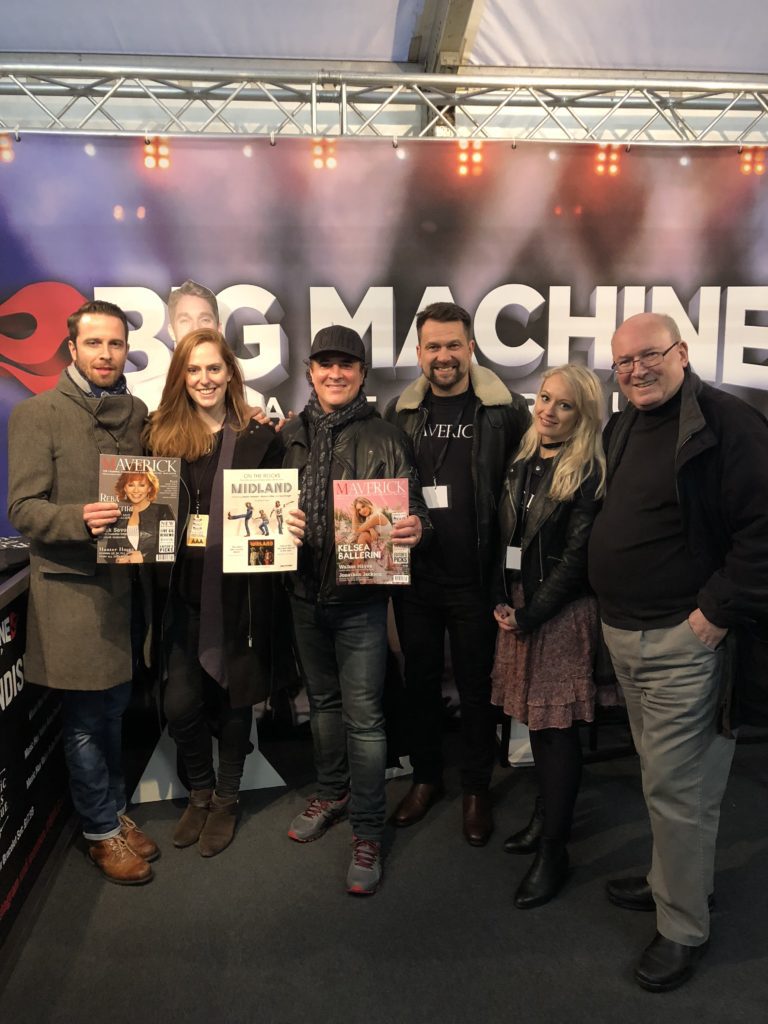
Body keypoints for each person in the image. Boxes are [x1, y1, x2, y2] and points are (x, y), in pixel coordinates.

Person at [588, 312, 768, 992]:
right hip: (626, 635)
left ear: (683, 353)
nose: (636, 369)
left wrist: (714, 615)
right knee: (667, 781)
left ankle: (683, 926)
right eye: (624, 362)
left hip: (684, 641)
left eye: (650, 355)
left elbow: (763, 533)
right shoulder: (625, 422)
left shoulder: (728, 424)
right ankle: (674, 879)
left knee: (679, 791)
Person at [8, 300, 159, 885]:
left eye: (115, 345)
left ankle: (113, 814)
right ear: (72, 348)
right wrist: (80, 518)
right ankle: (99, 831)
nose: (105, 354)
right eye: (94, 344)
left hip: (125, 587)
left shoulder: (137, 411)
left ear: (126, 350)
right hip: (71, 591)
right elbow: (23, 509)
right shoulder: (37, 413)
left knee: (114, 710)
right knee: (84, 719)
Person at [145, 328, 304, 857]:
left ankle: (227, 798)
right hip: (182, 601)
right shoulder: (158, 436)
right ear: (180, 377)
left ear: (231, 373)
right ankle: (200, 790)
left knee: (237, 703)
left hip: (242, 598)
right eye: (194, 370)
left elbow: (281, 509)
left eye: (214, 369)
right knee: (180, 705)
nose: (205, 379)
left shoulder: (260, 436)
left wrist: (292, 523)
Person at [282, 324, 429, 896]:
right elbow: (263, 504)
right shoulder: (288, 435)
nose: (335, 373)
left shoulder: (387, 437)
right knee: (322, 704)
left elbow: (413, 508)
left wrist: (419, 526)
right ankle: (331, 790)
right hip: (300, 594)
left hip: (361, 601)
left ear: (363, 374)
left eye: (347, 365)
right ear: (310, 370)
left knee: (364, 719)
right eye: (325, 364)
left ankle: (367, 829)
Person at [385, 301, 529, 845]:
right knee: (419, 684)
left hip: (477, 581)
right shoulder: (398, 412)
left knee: (475, 688)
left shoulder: (504, 411)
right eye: (433, 347)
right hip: (416, 580)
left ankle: (475, 788)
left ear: (470, 347)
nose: (443, 356)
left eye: (453, 345)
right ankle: (425, 779)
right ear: (418, 352)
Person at [492, 364, 608, 909]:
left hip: (558, 616)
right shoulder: (523, 460)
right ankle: (546, 815)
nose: (547, 410)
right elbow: (509, 538)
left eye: (564, 405)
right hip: (521, 609)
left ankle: (555, 851)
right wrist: (503, 596)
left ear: (582, 416)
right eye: (543, 398)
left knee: (557, 731)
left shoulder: (586, 471)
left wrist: (531, 613)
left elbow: (575, 559)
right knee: (538, 724)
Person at [109, 470, 175, 563]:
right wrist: (117, 559)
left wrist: (144, 557)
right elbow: (110, 549)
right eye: (131, 485)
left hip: (153, 573)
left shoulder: (163, 510)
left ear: (149, 488)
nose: (136, 490)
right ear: (124, 488)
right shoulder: (118, 514)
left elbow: (170, 547)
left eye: (142, 485)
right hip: (123, 573)